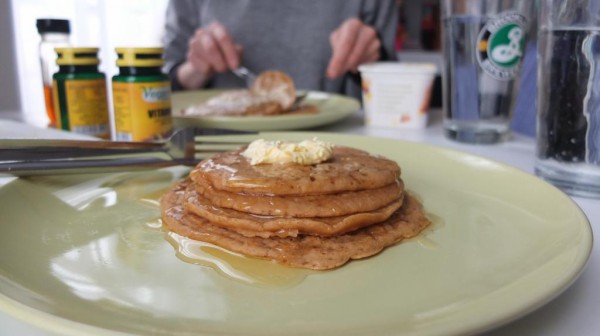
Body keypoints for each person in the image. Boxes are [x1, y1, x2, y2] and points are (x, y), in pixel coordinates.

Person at [162, 0, 398, 99]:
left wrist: (371, 64)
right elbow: (155, 87)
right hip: (212, 147)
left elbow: (397, 97)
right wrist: (194, 70)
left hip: (341, 149)